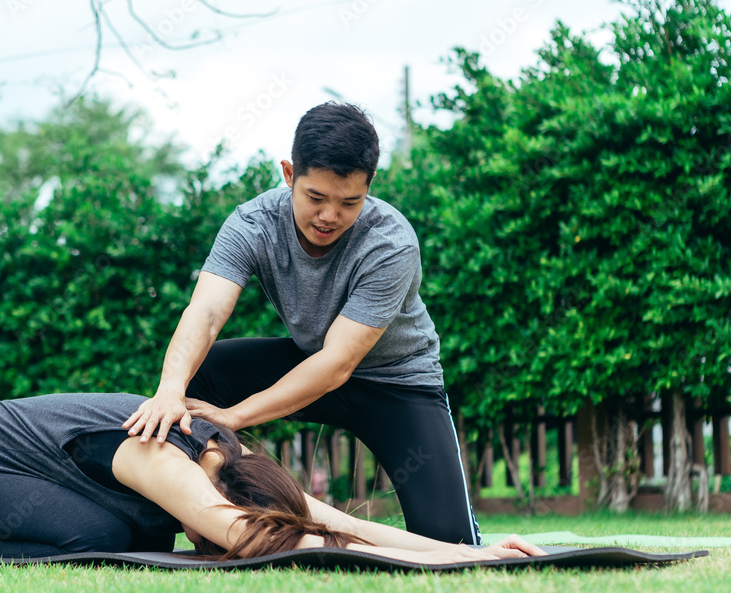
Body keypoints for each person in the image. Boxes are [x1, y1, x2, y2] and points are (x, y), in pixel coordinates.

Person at [122, 101, 482, 546]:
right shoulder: (252, 224)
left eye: (349, 202)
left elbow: (337, 364)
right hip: (311, 362)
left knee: (456, 547)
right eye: (315, 197)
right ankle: (210, 518)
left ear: (370, 186)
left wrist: (234, 417)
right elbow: (207, 312)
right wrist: (169, 392)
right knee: (205, 372)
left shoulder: (391, 242)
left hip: (397, 383)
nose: (329, 216)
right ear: (290, 174)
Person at [0, 392, 544, 563]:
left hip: (20, 467)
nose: (204, 543)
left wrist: (469, 553)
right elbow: (244, 533)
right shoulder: (165, 454)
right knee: (92, 540)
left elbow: (338, 522)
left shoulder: (226, 456)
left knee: (140, 541)